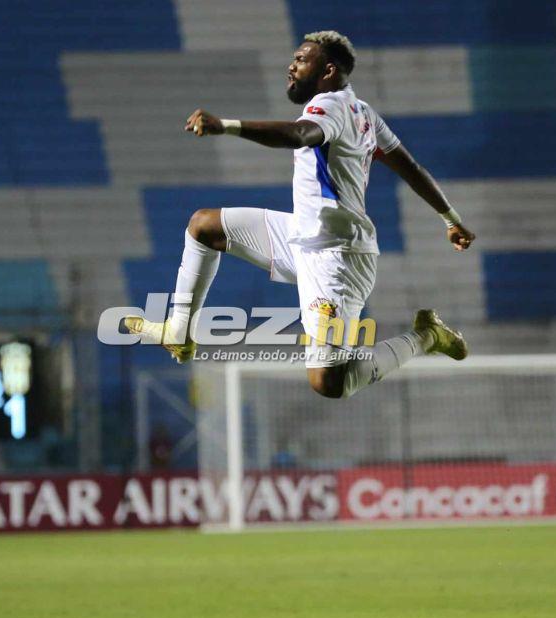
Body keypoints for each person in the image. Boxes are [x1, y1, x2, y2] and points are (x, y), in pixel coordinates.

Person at [125, 31, 476, 399]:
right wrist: (450, 218)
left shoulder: (330, 106)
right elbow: (411, 168)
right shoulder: (364, 113)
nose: (291, 66)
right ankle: (180, 329)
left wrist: (226, 126)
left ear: (327, 70)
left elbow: (299, 135)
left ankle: (426, 336)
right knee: (204, 226)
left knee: (327, 383)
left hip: (336, 260)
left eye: (301, 59)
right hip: (301, 236)